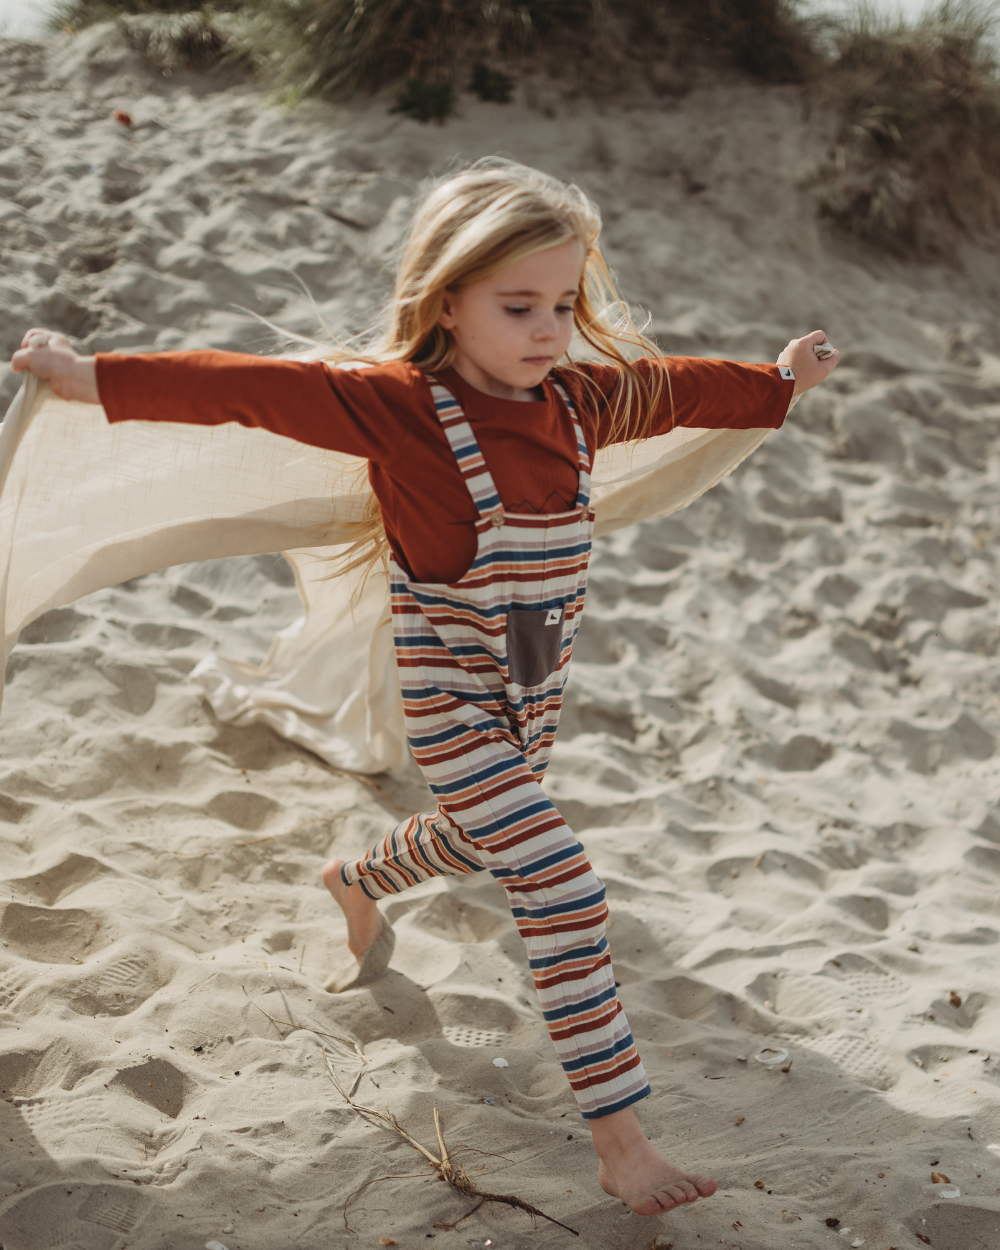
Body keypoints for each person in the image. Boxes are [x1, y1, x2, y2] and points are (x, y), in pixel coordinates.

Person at [12, 159, 838, 1218]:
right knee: (558, 874)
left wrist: (775, 383)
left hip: (535, 683)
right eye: (518, 306)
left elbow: (681, 387)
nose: (549, 328)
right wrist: (96, 377)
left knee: (479, 834)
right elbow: (250, 387)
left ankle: (356, 876)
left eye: (563, 304)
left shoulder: (583, 399)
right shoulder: (399, 407)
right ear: (448, 300)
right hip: (449, 696)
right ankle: (621, 1141)